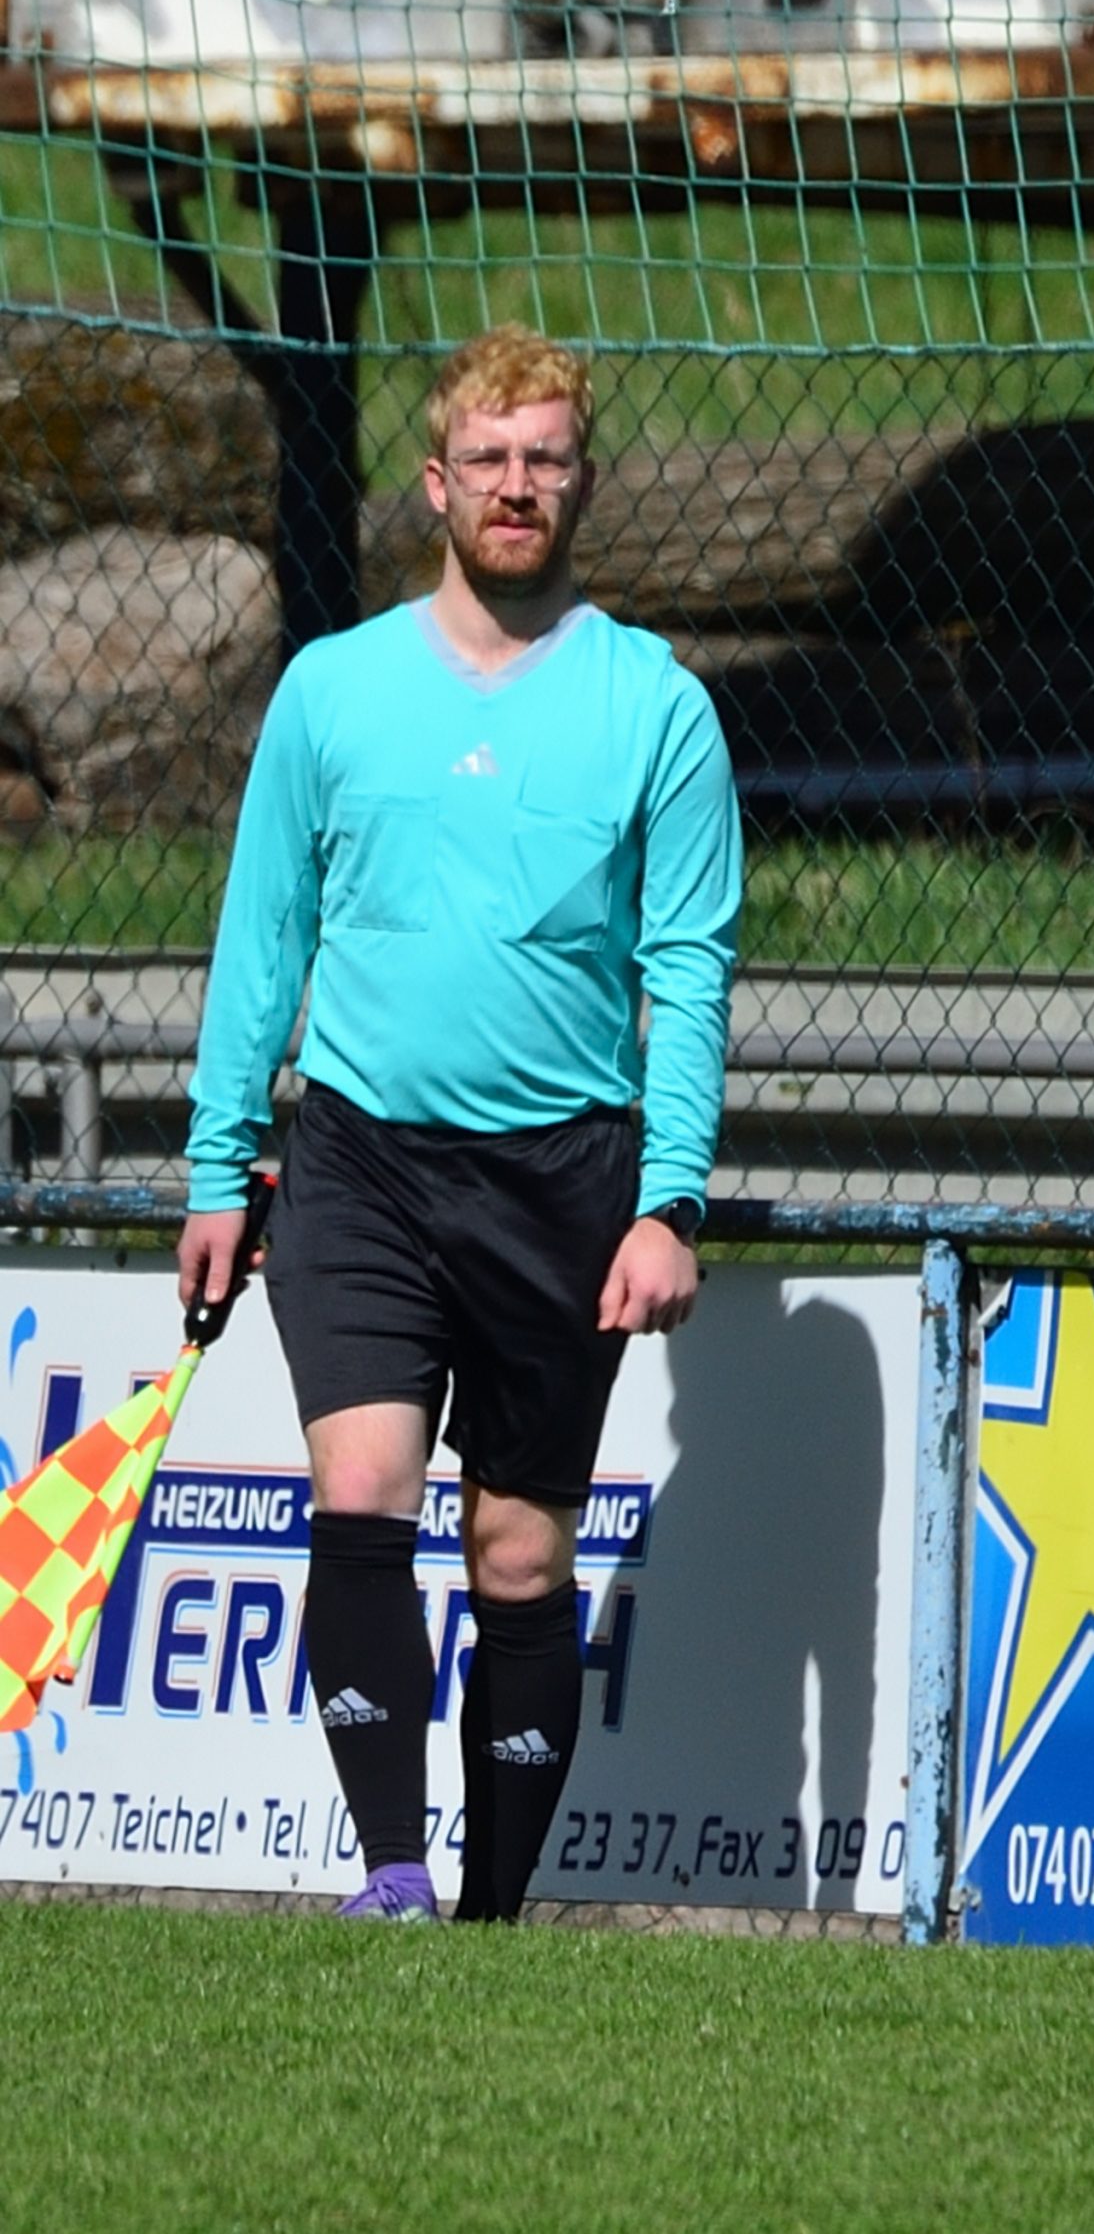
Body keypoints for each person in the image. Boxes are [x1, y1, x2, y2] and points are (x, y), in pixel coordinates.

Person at [178, 324, 742, 1924]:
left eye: (544, 459)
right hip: (358, 1159)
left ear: (583, 483)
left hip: (564, 1176)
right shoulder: (332, 691)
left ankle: (495, 1920)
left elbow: (690, 969)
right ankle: (394, 1875)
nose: (515, 485)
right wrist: (219, 1164)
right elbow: (262, 941)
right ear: (435, 483)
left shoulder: (657, 708)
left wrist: (670, 1200)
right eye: (488, 459)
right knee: (358, 1492)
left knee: (517, 1556)